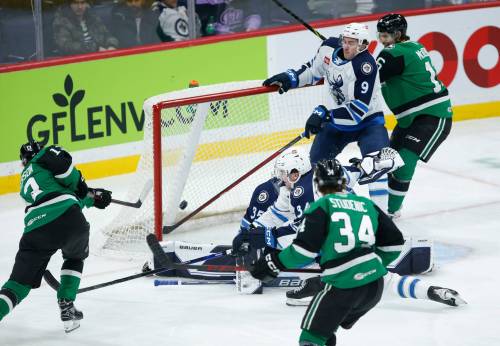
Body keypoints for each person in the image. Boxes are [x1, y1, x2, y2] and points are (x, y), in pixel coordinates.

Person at [249, 159, 405, 346]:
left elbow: (302, 252)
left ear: (317, 184)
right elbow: (395, 244)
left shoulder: (322, 206)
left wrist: (271, 263)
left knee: (311, 338)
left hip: (343, 287)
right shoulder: (366, 204)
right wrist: (370, 263)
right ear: (344, 182)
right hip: (375, 286)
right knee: (325, 332)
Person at [263, 23, 390, 210]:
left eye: (352, 43)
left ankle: (381, 217)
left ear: (363, 45)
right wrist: (291, 78)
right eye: (345, 41)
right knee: (313, 168)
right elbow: (313, 72)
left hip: (368, 123)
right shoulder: (329, 48)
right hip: (337, 122)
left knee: (379, 166)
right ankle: (326, 208)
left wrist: (324, 114)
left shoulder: (365, 66)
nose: (346, 46)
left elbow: (357, 111)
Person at [0, 141, 112, 333]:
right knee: (74, 257)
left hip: (36, 227)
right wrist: (90, 193)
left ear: (23, 161)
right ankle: (67, 304)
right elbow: (67, 177)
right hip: (70, 219)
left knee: (17, 285)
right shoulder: (44, 155)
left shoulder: (24, 181)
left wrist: (91, 196)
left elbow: (53, 194)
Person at [376, 13, 453, 218]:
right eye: (380, 36)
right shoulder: (414, 46)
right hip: (410, 118)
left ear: (399, 34)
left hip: (432, 115)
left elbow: (369, 77)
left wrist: (353, 64)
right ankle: (385, 206)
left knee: (403, 162)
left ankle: (390, 211)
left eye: (386, 36)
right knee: (387, 161)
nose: (383, 41)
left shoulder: (393, 53)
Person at [52, 0, 118, 55]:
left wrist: (111, 46)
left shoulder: (92, 16)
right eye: (75, 3)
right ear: (69, 4)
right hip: (76, 62)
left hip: (100, 57)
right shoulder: (61, 21)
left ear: (87, 4)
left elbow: (106, 34)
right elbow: (66, 45)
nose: (80, 7)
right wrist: (95, 49)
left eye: (82, 3)